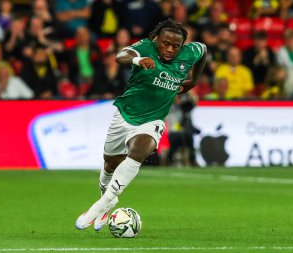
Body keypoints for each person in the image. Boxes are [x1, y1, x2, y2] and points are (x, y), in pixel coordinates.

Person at [75, 19, 207, 231]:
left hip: (153, 119)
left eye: (176, 46)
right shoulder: (145, 46)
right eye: (166, 43)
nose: (170, 49)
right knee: (110, 163)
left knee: (141, 150)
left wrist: (194, 80)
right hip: (126, 114)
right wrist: (138, 61)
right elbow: (120, 56)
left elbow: (203, 50)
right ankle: (107, 202)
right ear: (156, 40)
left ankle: (100, 205)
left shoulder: (189, 53)